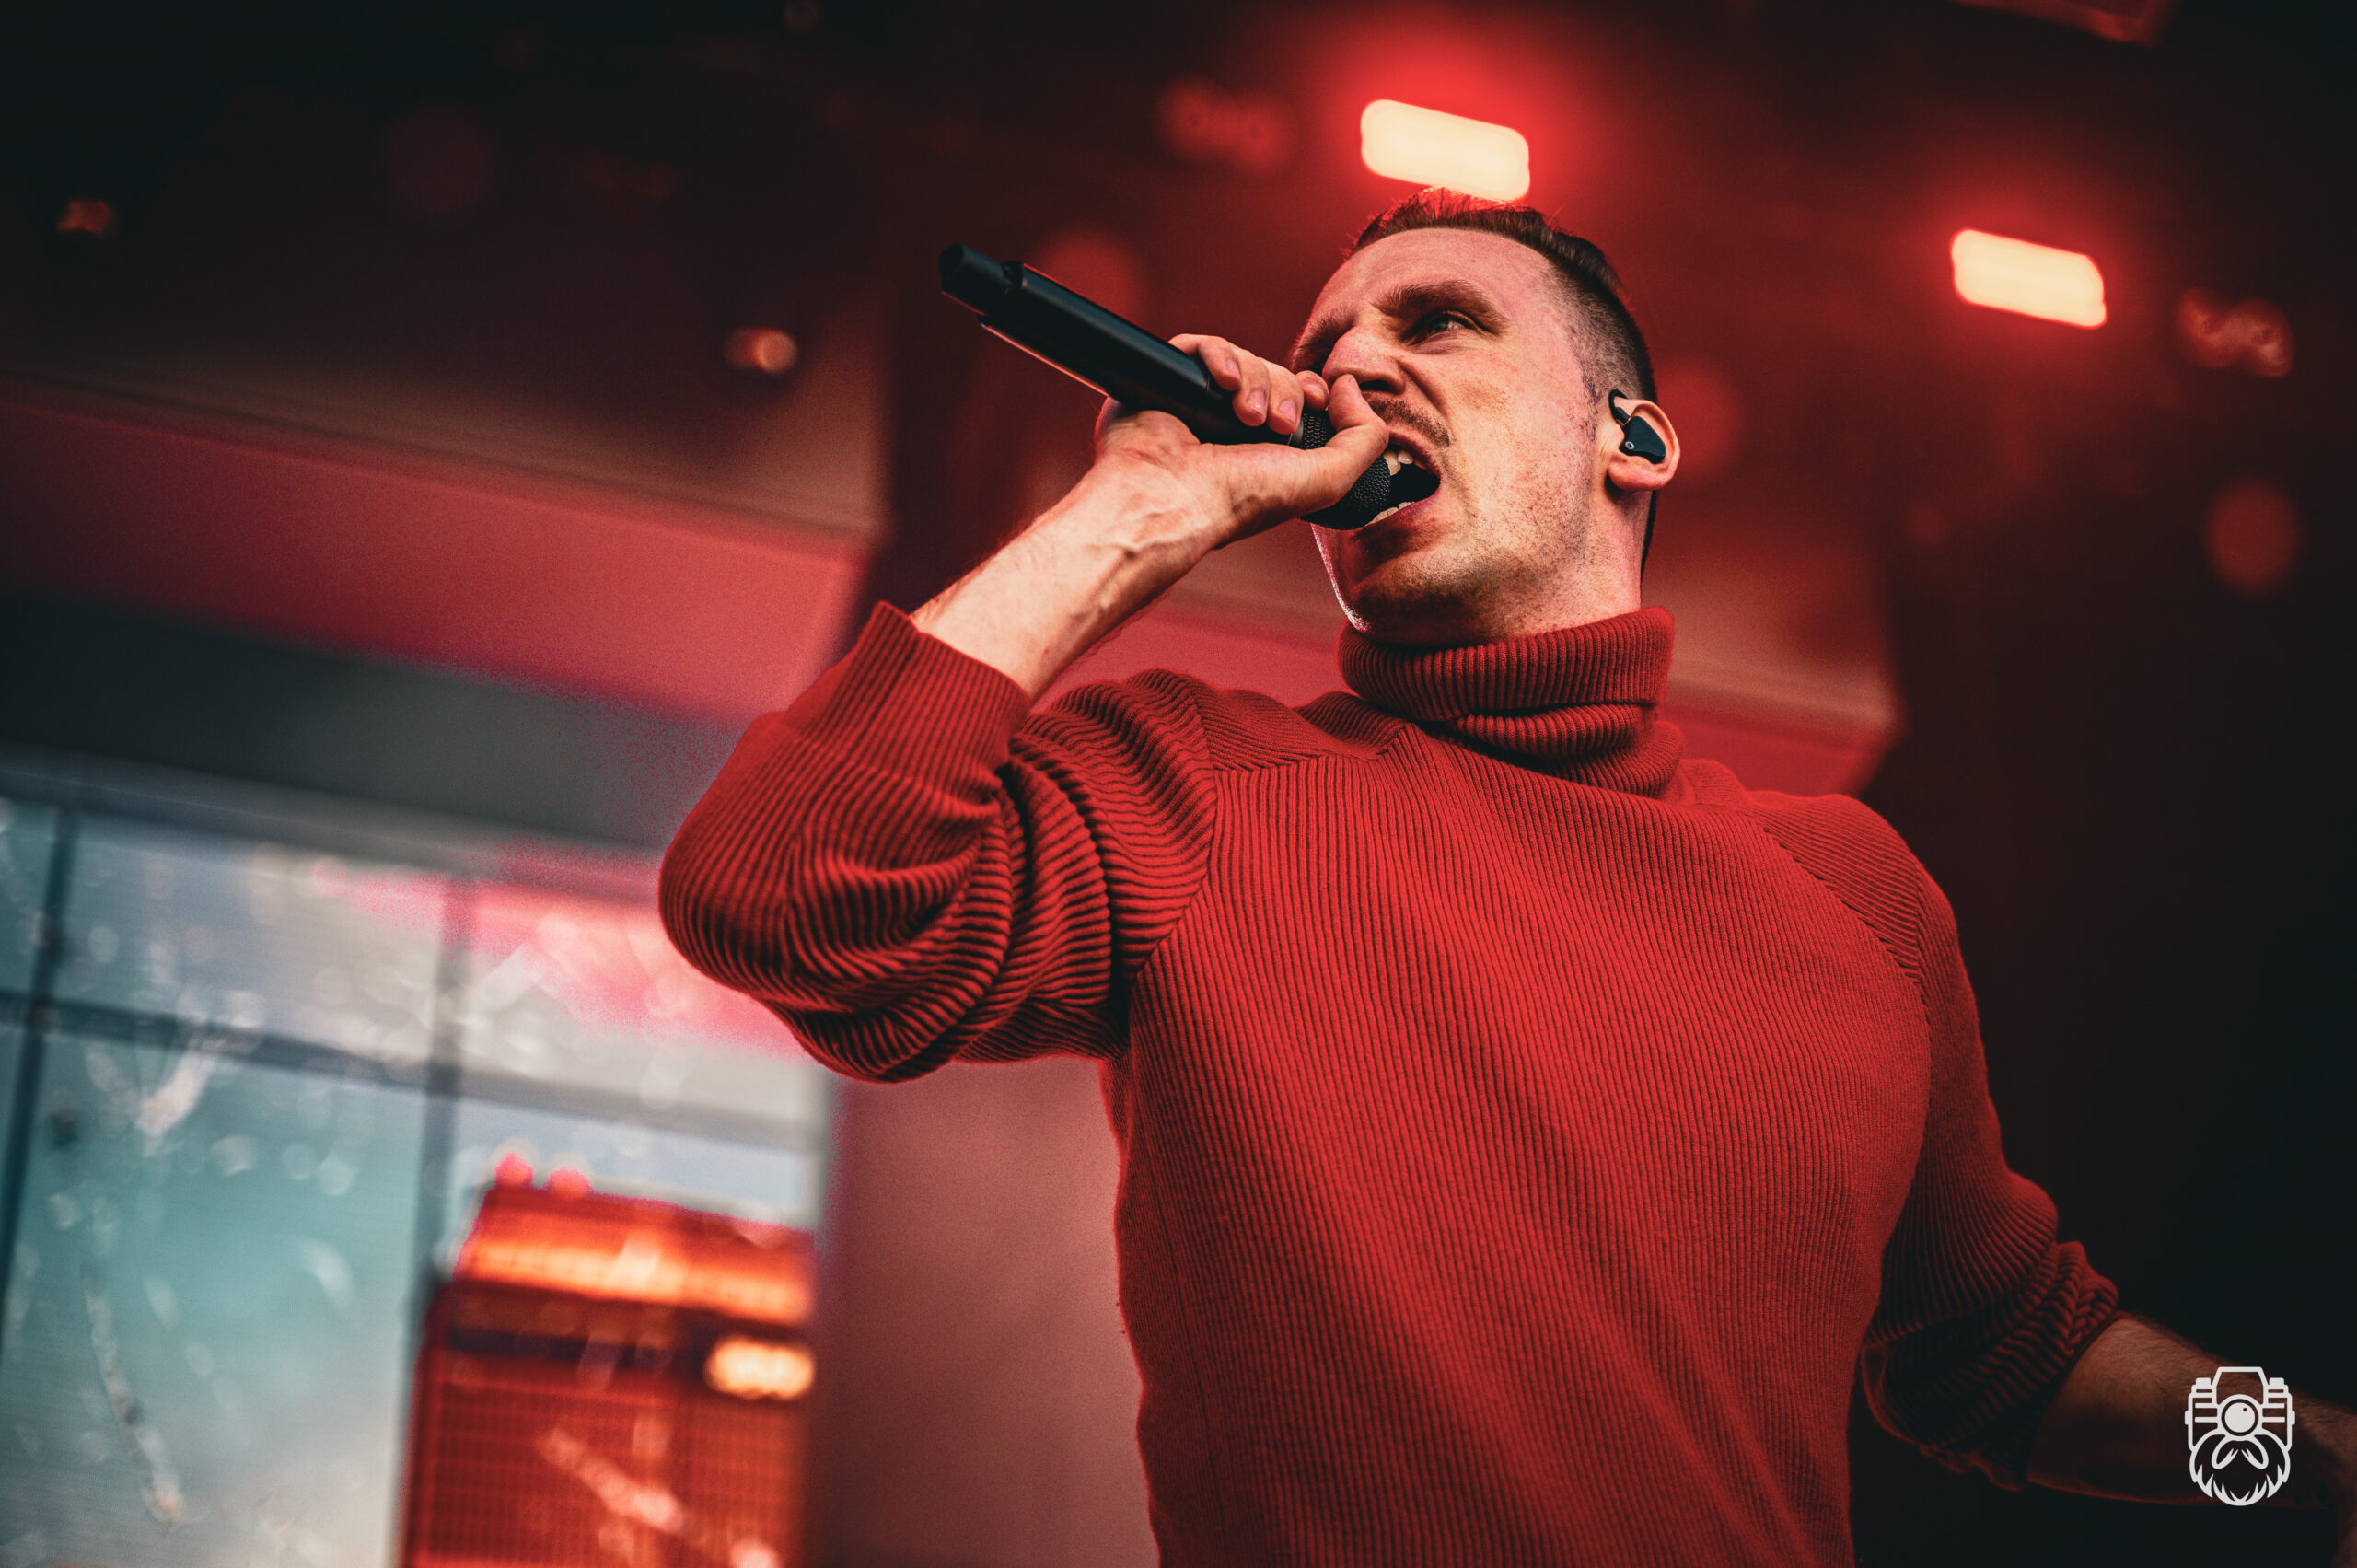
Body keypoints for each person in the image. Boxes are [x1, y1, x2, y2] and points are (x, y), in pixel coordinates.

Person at [661, 191, 2352, 1565]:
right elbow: (780, 889)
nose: (1353, 369)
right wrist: (1145, 503)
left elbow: (2020, 1363)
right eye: (1325, 350)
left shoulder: (1852, 892)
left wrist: (2319, 1465)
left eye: (1437, 325)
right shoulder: (1191, 791)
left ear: (1637, 439)